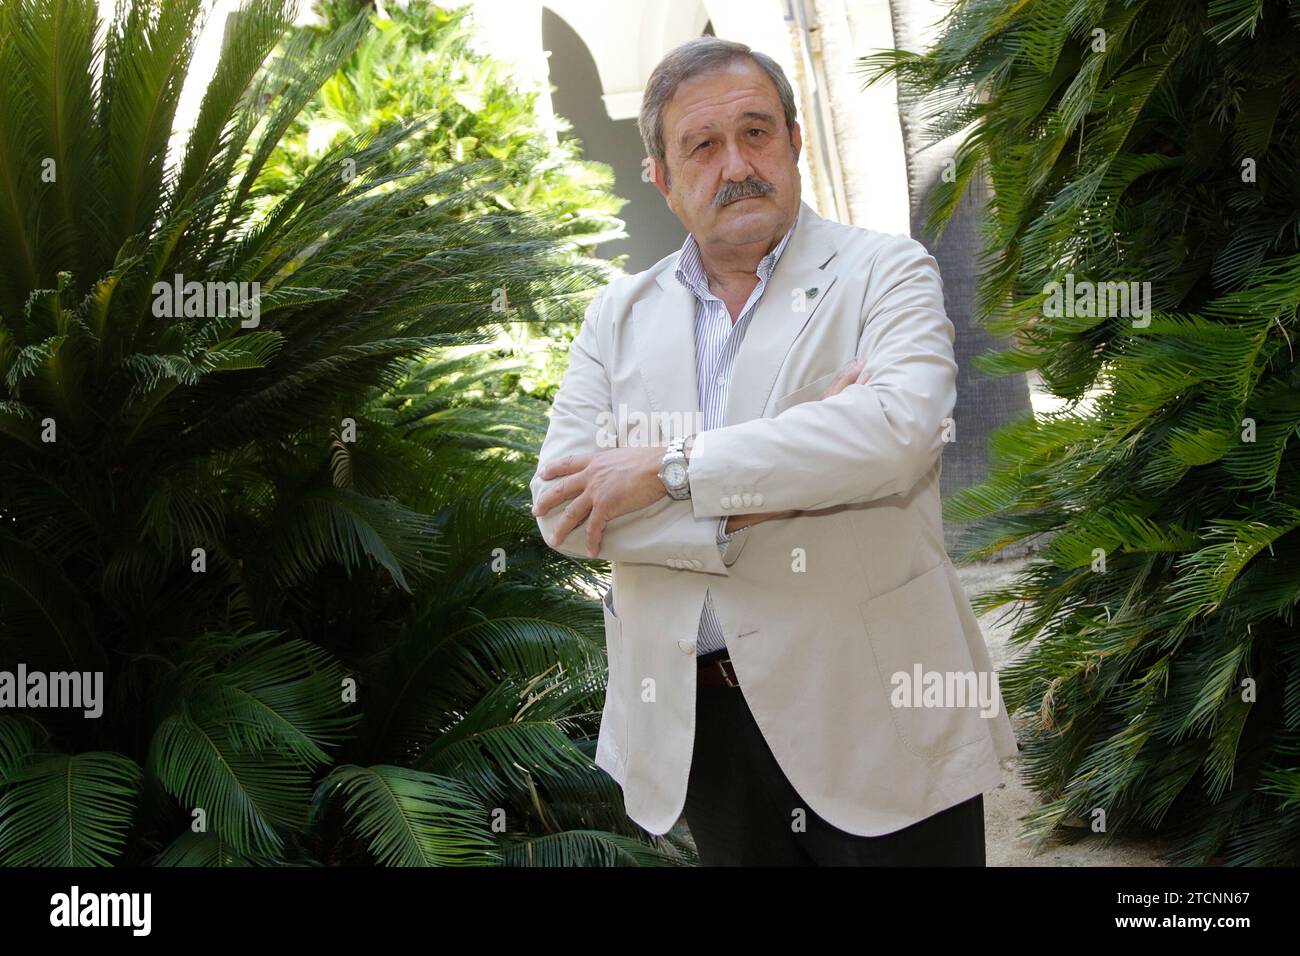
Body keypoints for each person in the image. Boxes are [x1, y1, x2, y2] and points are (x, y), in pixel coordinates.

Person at [530, 36, 1017, 866]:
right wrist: (778, 482)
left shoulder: (884, 273)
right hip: (704, 731)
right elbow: (566, 511)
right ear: (663, 177)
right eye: (704, 145)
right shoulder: (615, 318)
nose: (737, 164)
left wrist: (662, 472)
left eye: (757, 133)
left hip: (872, 710)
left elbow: (894, 437)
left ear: (797, 141)